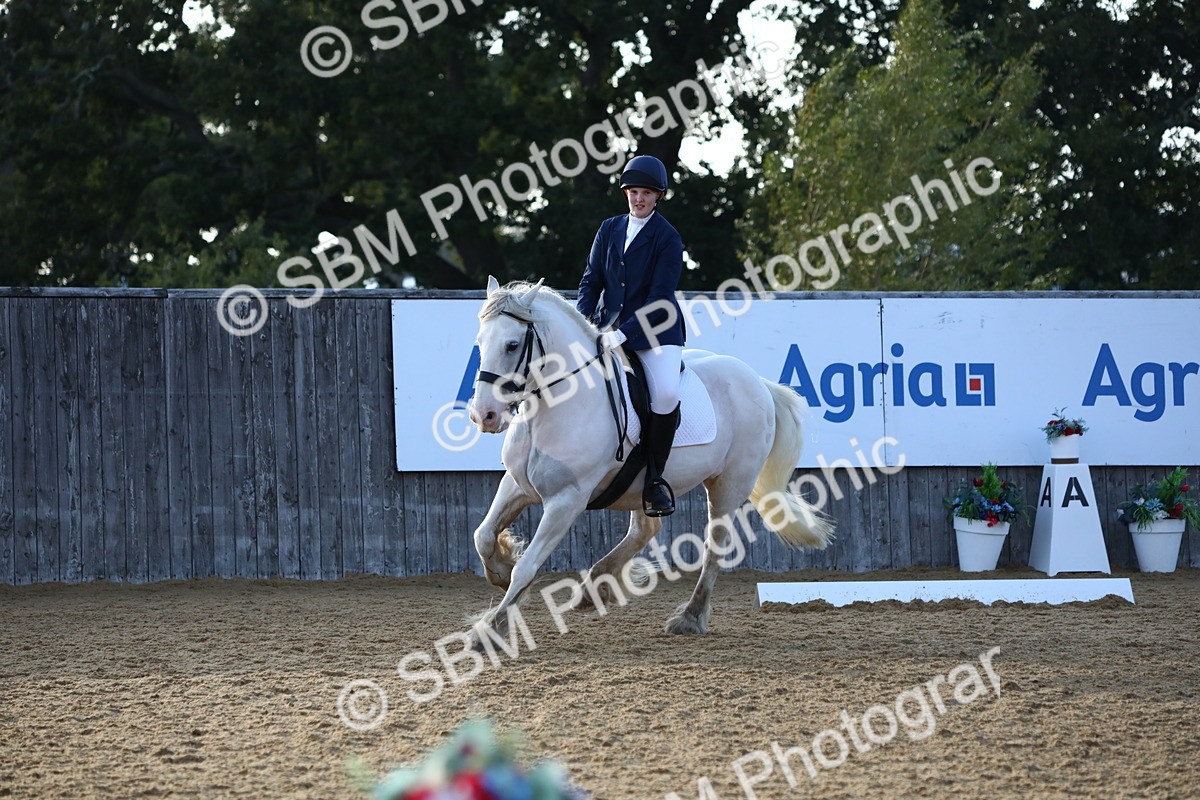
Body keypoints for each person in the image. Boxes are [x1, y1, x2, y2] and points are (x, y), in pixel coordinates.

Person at [576, 154, 686, 517]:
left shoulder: (668, 237)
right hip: (608, 329)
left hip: (657, 334)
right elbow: (591, 281)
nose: (638, 199)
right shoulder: (608, 228)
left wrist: (624, 334)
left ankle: (655, 480)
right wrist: (583, 324)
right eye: (633, 192)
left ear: (659, 197)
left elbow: (659, 299)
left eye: (647, 194)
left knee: (667, 392)